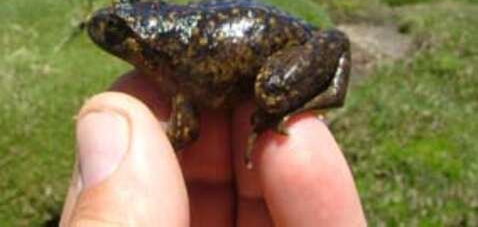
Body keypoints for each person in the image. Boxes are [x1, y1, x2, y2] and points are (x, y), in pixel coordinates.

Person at [60, 70, 366, 226]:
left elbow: (189, 131)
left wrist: (155, 152)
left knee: (269, 93)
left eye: (117, 34)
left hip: (278, 54)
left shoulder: (175, 76)